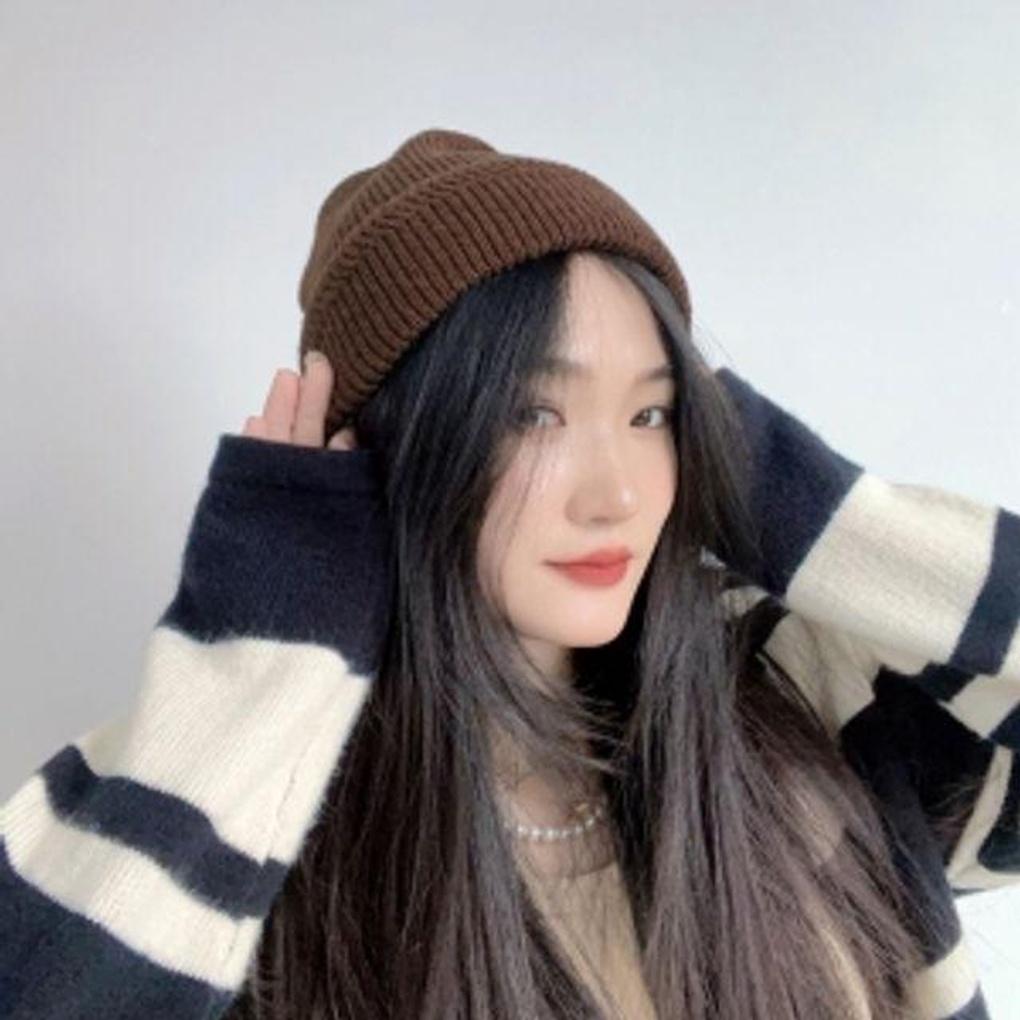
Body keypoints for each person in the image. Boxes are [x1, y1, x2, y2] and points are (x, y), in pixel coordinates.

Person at [1, 128, 1017, 1020]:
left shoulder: (797, 710)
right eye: (534, 414)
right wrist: (261, 649)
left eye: (652, 413)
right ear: (392, 442)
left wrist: (793, 497)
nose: (617, 494)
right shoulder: (232, 814)